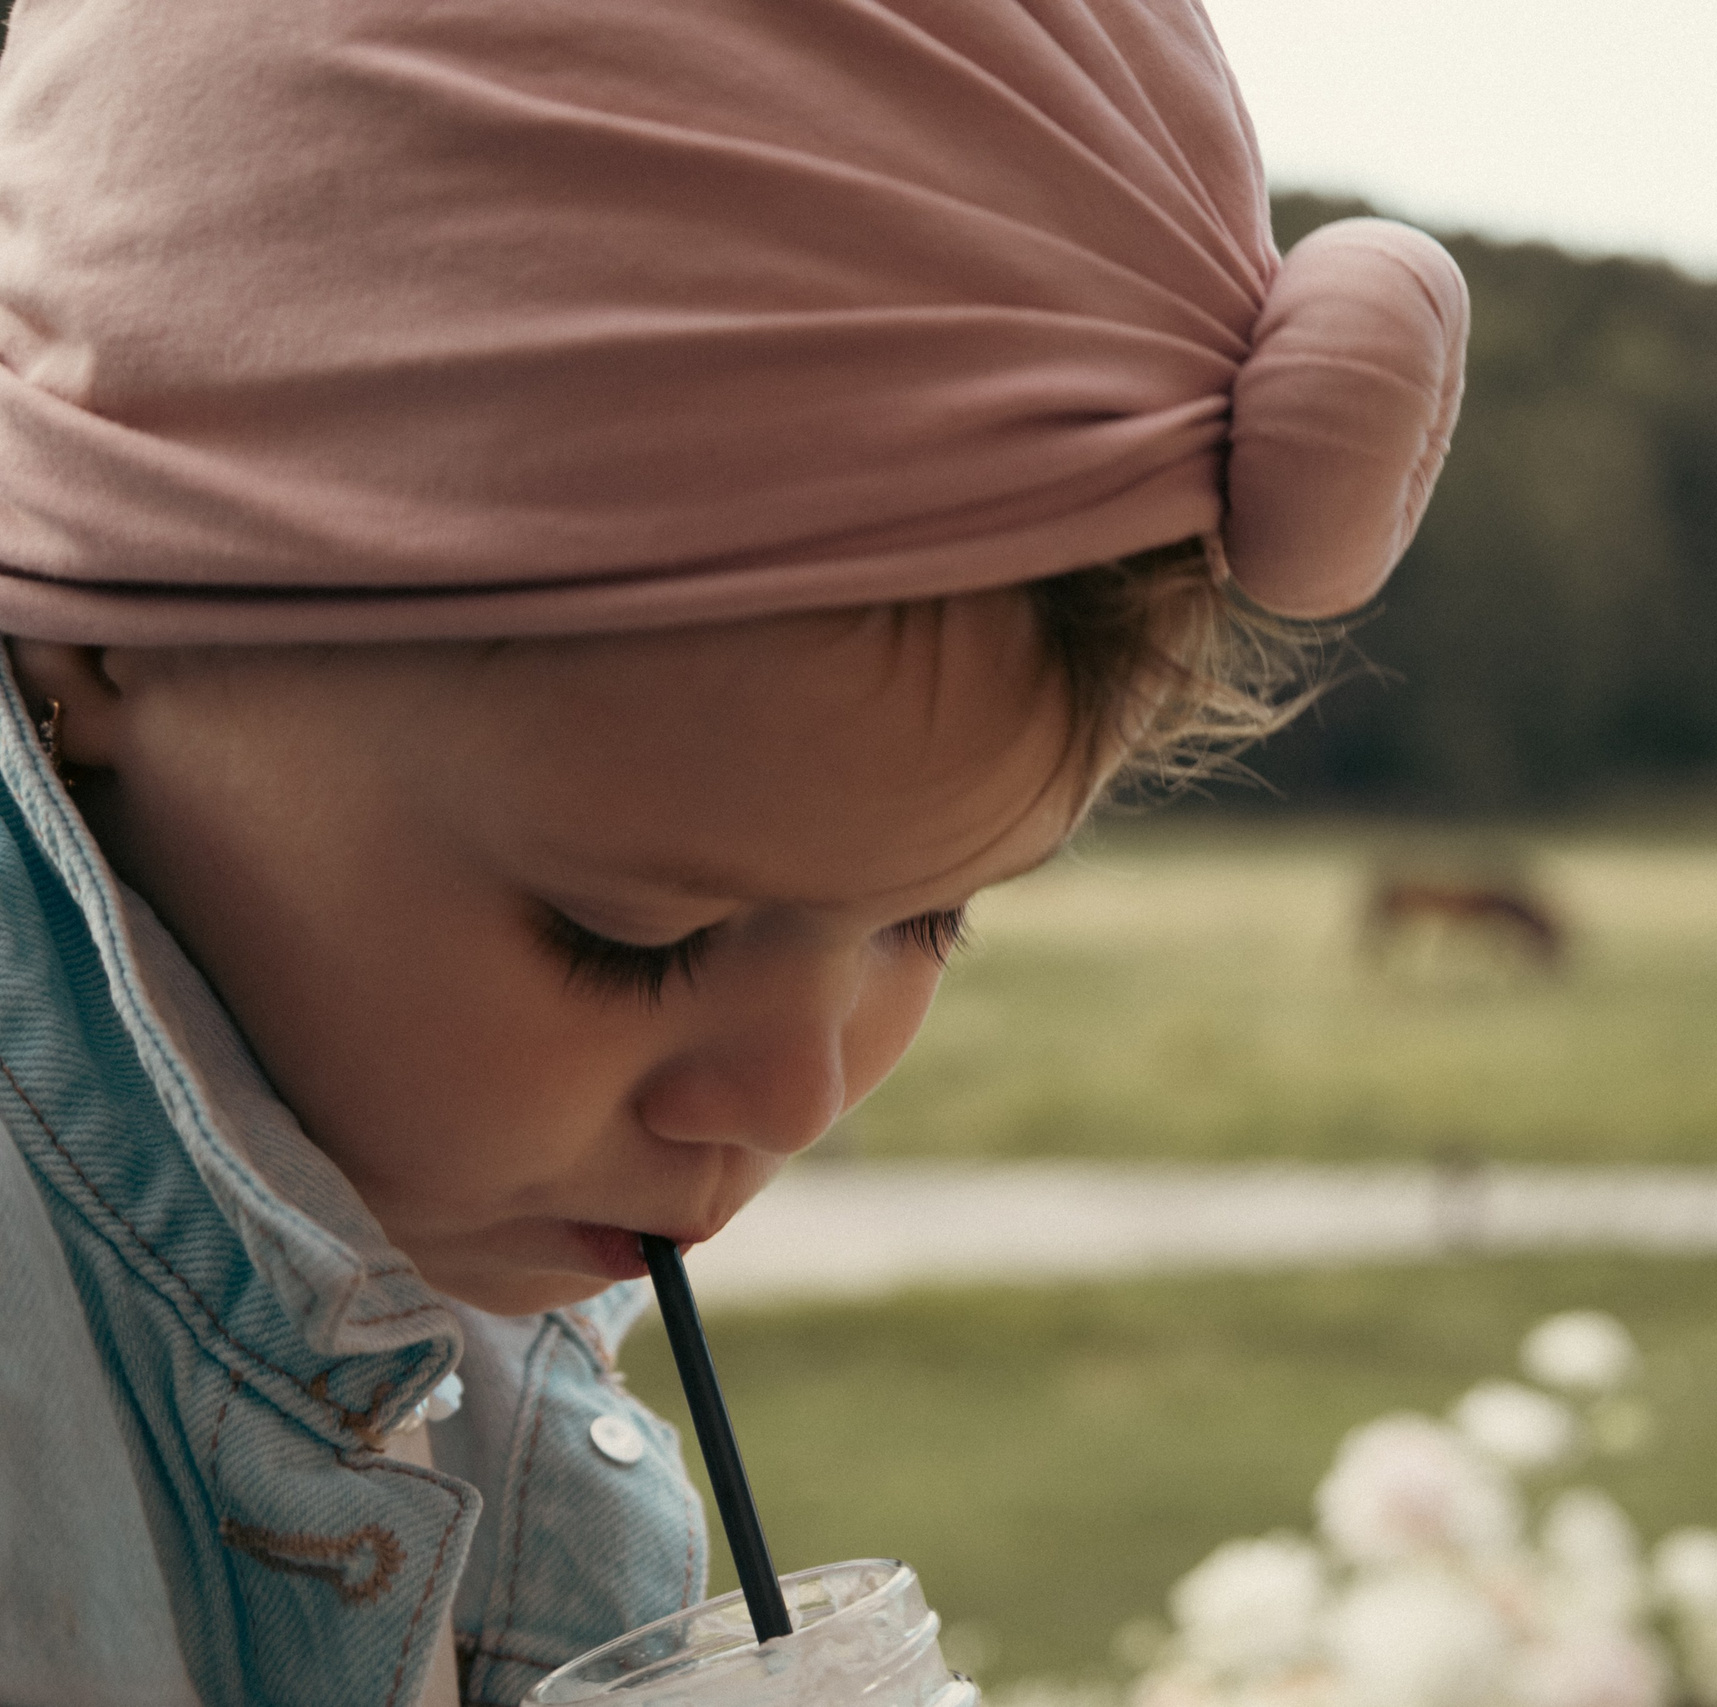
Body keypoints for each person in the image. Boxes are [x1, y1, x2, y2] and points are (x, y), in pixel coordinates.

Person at [0, 0, 1468, 1700]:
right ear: (104, 636)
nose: (796, 1096)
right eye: (632, 937)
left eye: (932, 918)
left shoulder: (410, 1207)